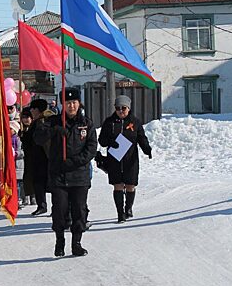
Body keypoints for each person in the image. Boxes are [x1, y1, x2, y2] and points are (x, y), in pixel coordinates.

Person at [34, 88, 97, 257]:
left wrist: (74, 162)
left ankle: (77, 242)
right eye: (68, 103)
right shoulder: (54, 121)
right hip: (59, 175)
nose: (71, 106)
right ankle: (59, 240)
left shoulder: (87, 123)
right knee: (60, 210)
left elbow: (91, 148)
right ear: (63, 104)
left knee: (79, 210)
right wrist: (53, 131)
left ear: (79, 103)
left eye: (74, 103)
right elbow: (37, 138)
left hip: (79, 175)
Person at [98, 95, 152, 223]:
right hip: (114, 159)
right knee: (117, 185)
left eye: (123, 108)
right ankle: (120, 213)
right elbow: (102, 140)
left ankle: (128, 208)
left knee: (130, 185)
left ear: (128, 108)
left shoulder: (135, 122)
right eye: (118, 108)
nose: (121, 111)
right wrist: (110, 141)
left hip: (130, 159)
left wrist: (147, 149)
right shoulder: (109, 122)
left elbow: (141, 138)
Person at [21, 99, 51, 216]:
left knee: (47, 183)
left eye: (33, 109)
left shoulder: (42, 122)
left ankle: (48, 206)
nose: (31, 111)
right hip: (36, 158)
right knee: (38, 183)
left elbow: (38, 139)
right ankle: (42, 205)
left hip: (43, 157)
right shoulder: (37, 122)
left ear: (37, 110)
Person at [18, 107, 35, 206]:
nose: (25, 119)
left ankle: (34, 197)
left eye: (27, 117)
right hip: (23, 157)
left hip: (33, 156)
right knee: (25, 178)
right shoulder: (21, 130)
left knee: (33, 177)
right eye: (23, 117)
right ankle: (25, 197)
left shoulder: (34, 128)